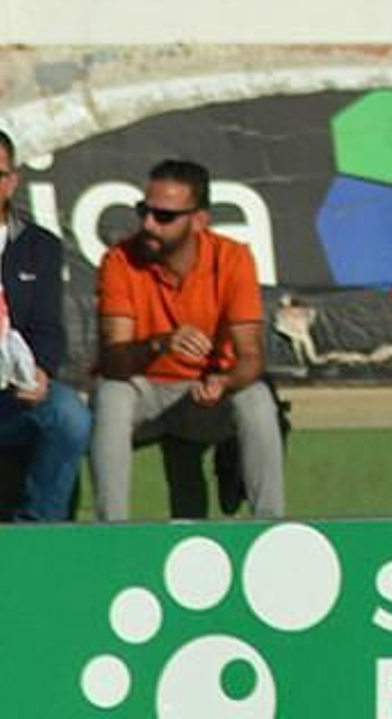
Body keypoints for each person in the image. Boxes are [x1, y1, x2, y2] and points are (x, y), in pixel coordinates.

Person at [91, 159, 284, 520]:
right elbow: (114, 361)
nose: (148, 223)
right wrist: (158, 343)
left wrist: (224, 381)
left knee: (256, 397)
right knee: (110, 394)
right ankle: (110, 532)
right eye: (144, 211)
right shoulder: (120, 260)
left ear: (198, 220)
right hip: (145, 395)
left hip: (203, 397)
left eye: (163, 217)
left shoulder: (232, 258)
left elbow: (251, 356)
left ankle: (269, 528)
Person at [0, 129, 91, 521]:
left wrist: (40, 372)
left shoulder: (40, 247)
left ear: (13, 180)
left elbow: (49, 330)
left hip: (11, 395)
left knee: (69, 413)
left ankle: (38, 531)